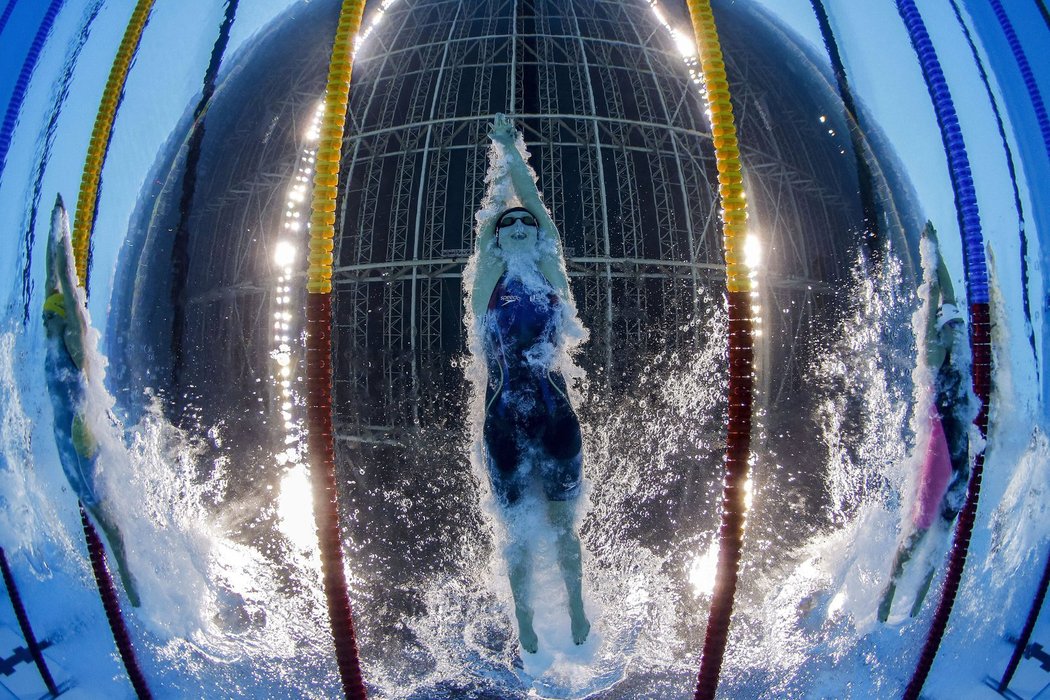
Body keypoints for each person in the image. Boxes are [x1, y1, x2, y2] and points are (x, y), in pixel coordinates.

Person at [469, 114, 590, 653]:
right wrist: (500, 163)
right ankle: (526, 624)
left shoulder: (552, 275)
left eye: (527, 227)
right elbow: (497, 220)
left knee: (565, 527)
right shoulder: (487, 281)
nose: (519, 229)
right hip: (501, 426)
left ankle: (579, 609)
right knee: (516, 533)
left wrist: (513, 152)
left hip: (558, 419)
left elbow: (538, 211)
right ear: (496, 241)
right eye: (508, 227)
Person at [43, 195, 140, 607]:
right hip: (69, 439)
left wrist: (63, 232)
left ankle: (131, 582)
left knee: (105, 514)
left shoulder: (70, 336)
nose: (45, 321)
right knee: (98, 512)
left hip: (77, 436)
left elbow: (64, 274)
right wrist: (55, 228)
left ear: (60, 317)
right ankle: (129, 580)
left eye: (50, 316)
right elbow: (54, 278)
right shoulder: (56, 332)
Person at [877, 222, 969, 622]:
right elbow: (934, 296)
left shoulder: (958, 348)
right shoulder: (932, 352)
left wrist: (940, 250)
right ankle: (885, 602)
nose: (957, 333)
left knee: (942, 536)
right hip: (942, 452)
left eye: (956, 328)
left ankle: (914, 613)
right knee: (918, 532)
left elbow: (947, 294)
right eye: (952, 329)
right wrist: (927, 253)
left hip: (963, 448)